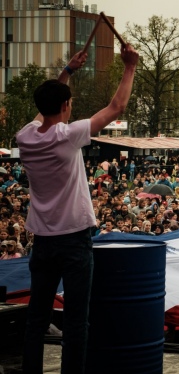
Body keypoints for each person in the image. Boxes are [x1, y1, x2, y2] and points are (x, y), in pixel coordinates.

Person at [17, 45, 139, 374]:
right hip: (72, 239)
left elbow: (48, 107)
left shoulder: (25, 136)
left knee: (35, 320)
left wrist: (68, 72)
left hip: (41, 239)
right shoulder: (67, 136)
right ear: (67, 106)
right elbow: (117, 106)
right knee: (75, 323)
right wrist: (129, 67)